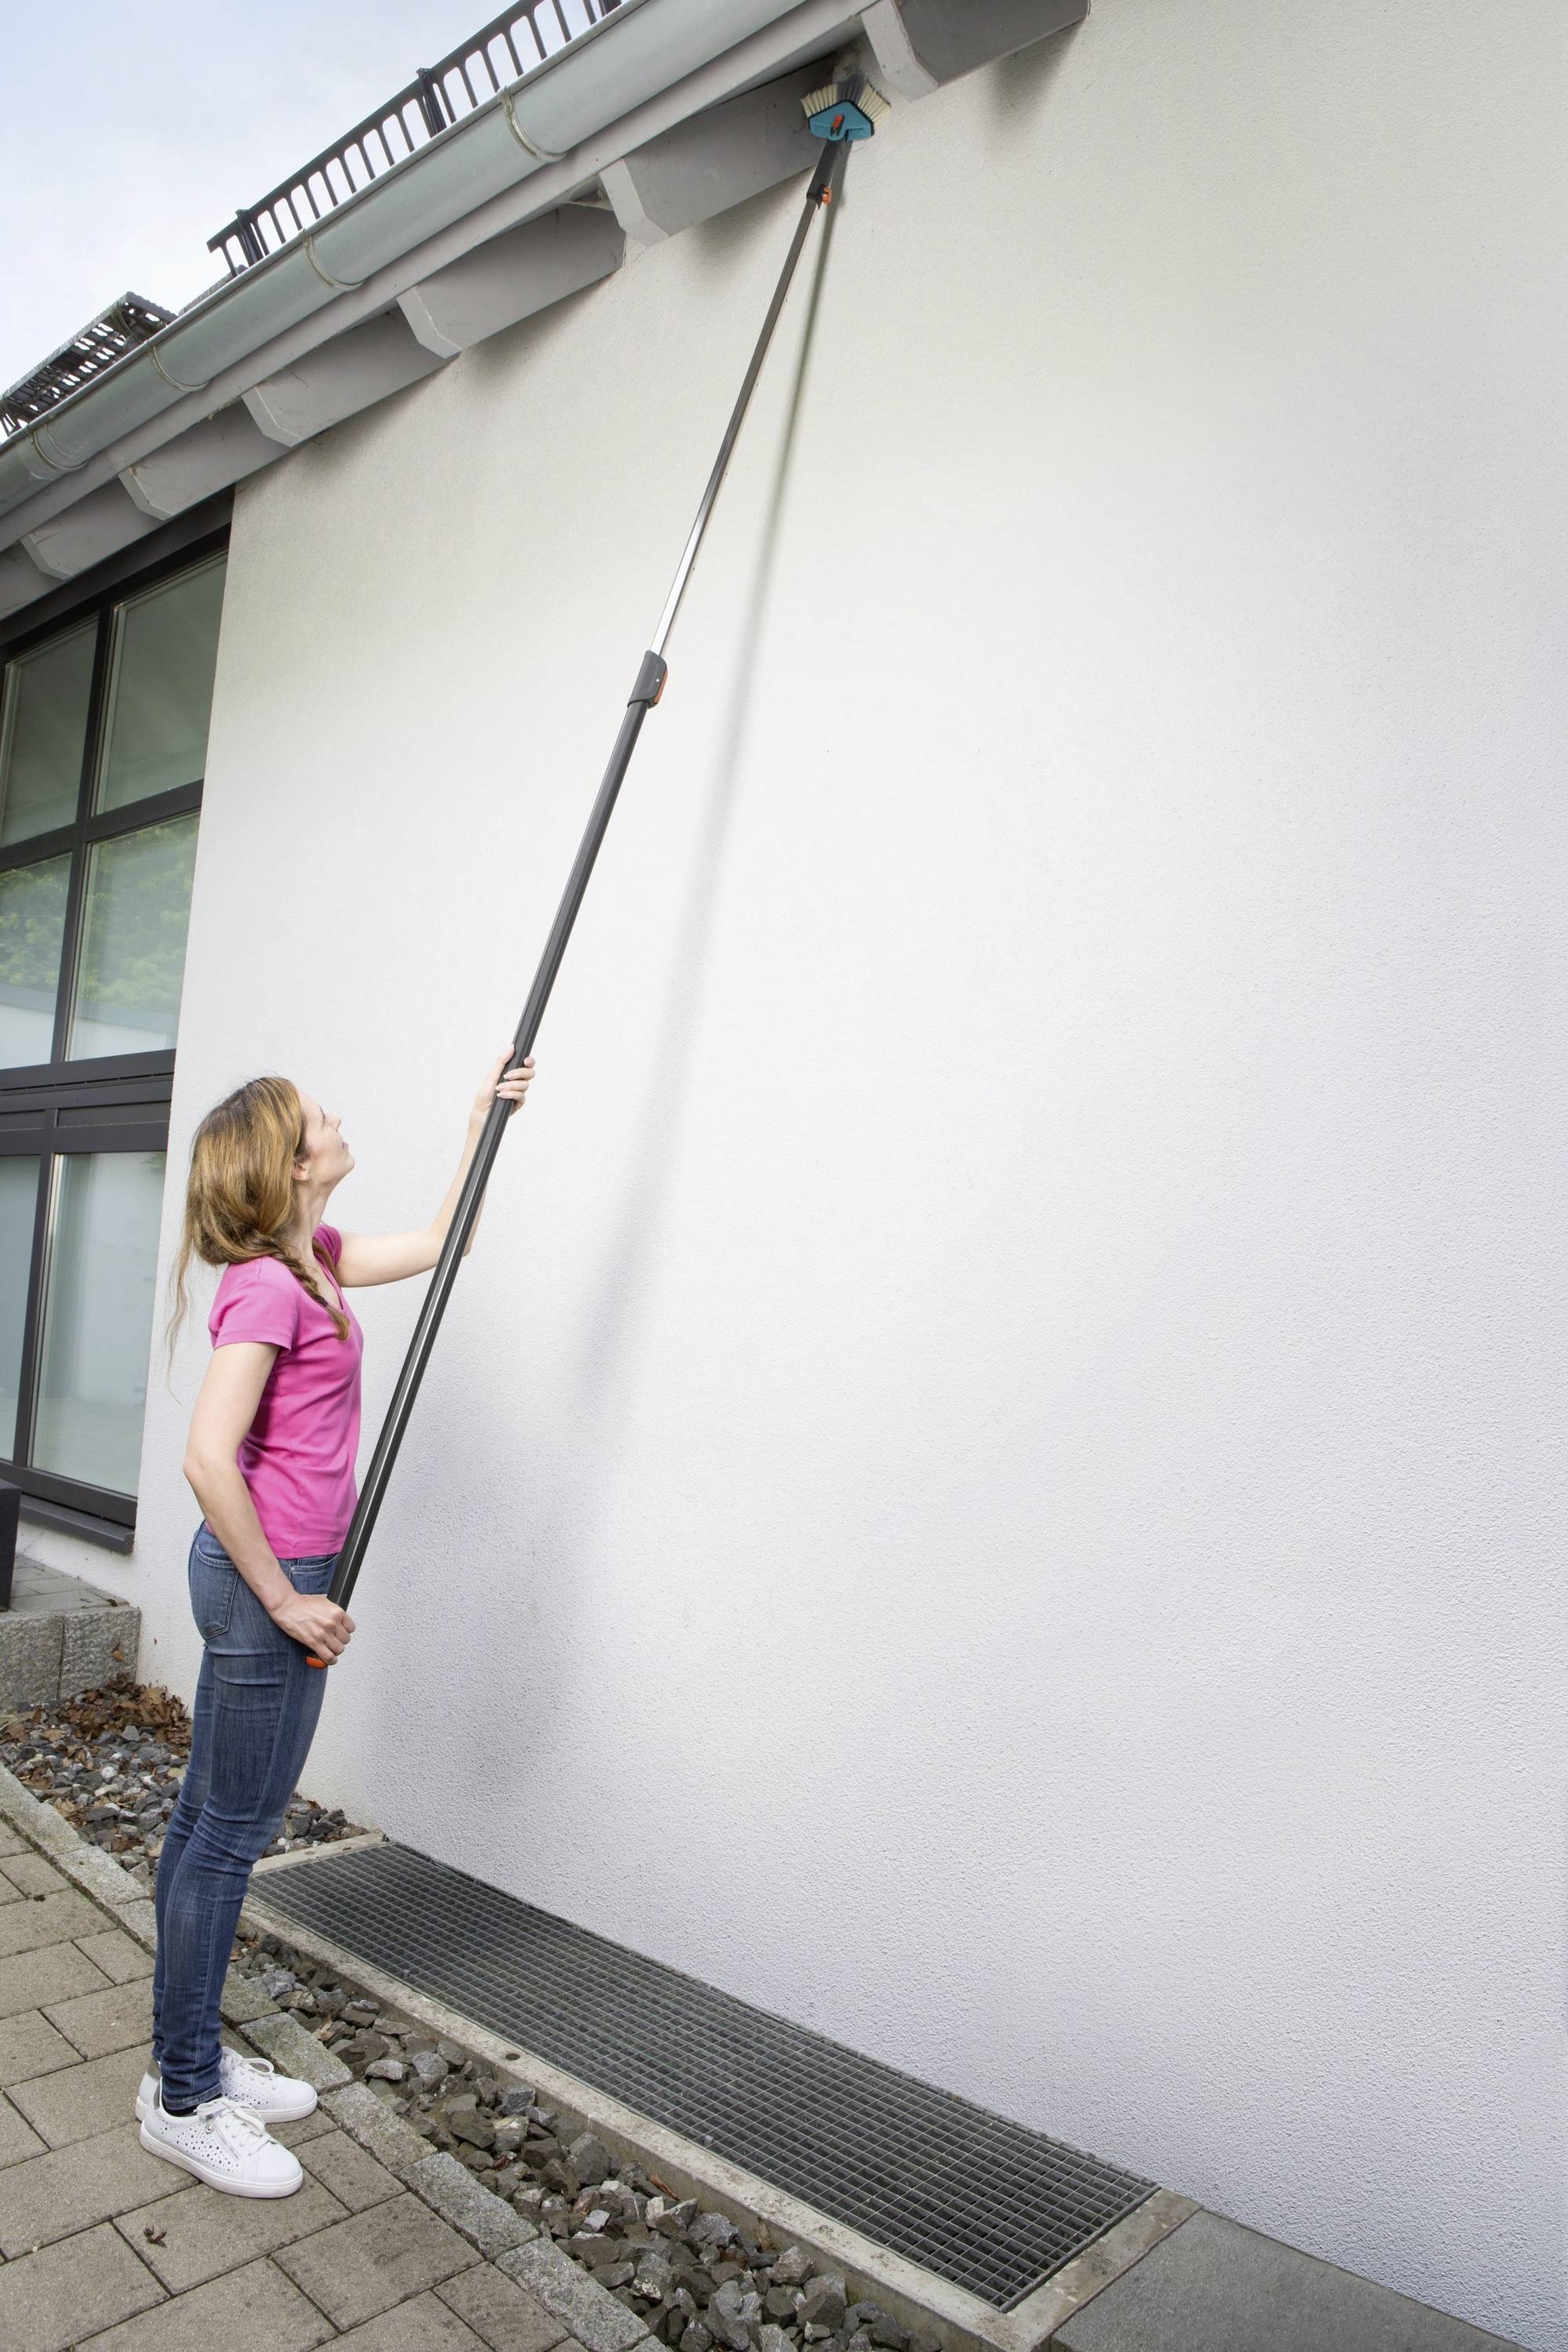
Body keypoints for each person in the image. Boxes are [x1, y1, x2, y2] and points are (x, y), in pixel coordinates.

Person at [143, 1051, 533, 2197]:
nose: (340, 1122)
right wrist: (284, 1598)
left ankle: (188, 2057)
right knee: (227, 1838)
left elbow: (441, 1243)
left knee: (202, 1822)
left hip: (272, 1576)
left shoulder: (310, 1261)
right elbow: (208, 1458)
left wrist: (479, 1123)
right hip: (272, 1579)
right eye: (323, 1119)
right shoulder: (266, 1286)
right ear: (290, 1161)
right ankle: (185, 2092)